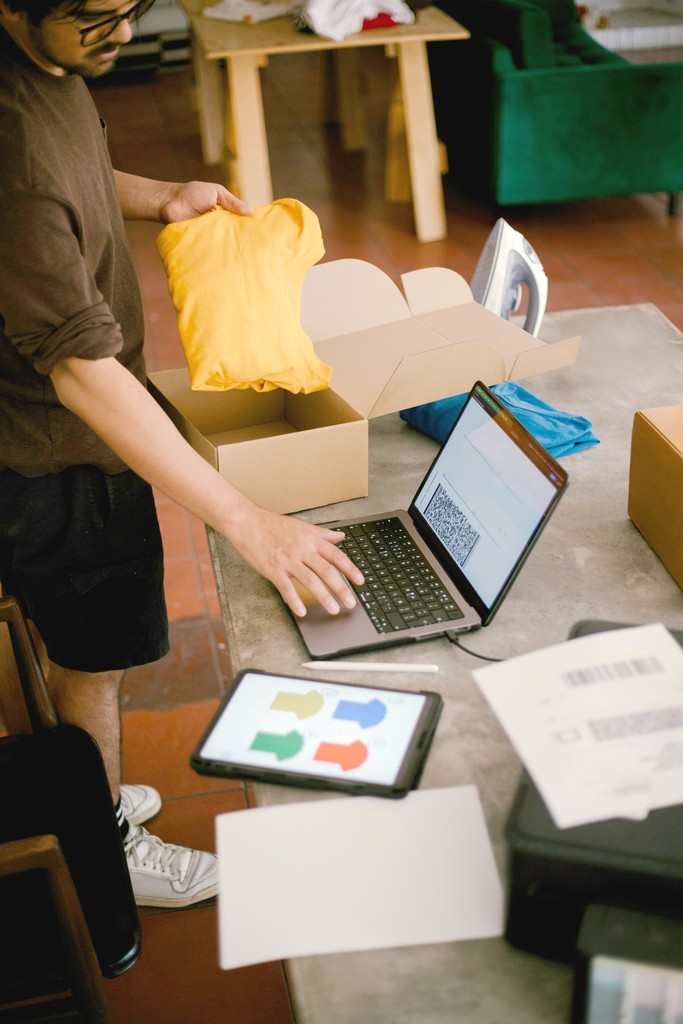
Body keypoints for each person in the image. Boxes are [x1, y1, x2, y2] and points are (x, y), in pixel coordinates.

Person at [0, 0, 363, 908]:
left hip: (67, 418)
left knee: (92, 647)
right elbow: (81, 370)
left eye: (134, 9)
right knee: (94, 653)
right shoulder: (6, 141)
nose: (120, 35)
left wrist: (159, 197)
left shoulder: (44, 68)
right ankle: (102, 842)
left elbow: (71, 176)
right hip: (52, 446)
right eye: (95, 17)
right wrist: (248, 522)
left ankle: (95, 795)